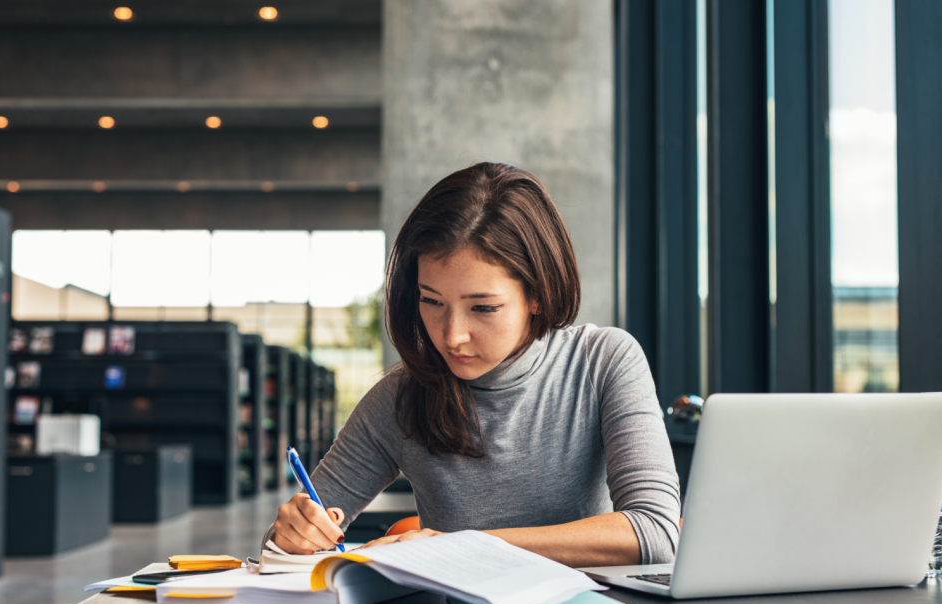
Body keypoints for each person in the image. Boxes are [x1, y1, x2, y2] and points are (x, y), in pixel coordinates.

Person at [264, 162, 680, 567]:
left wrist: (462, 547)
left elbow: (655, 532)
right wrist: (292, 535)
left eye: (483, 307)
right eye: (432, 302)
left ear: (538, 294)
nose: (451, 336)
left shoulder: (602, 361)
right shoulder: (398, 398)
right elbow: (277, 551)